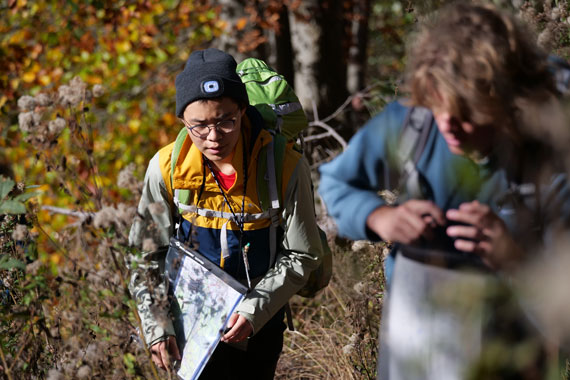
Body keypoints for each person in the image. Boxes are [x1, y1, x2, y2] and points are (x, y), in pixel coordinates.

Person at [318, 3, 570, 379]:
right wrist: (379, 217)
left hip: (513, 355)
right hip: (417, 346)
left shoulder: (552, 154)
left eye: (467, 112)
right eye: (438, 106)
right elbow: (337, 183)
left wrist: (513, 259)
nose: (449, 125)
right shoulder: (413, 123)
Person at [128, 48, 324, 379]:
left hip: (260, 325)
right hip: (190, 326)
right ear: (182, 121)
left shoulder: (284, 167)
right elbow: (144, 255)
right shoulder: (166, 169)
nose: (214, 137)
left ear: (243, 109)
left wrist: (254, 310)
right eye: (199, 126)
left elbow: (303, 253)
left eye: (226, 121)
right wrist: (158, 325)